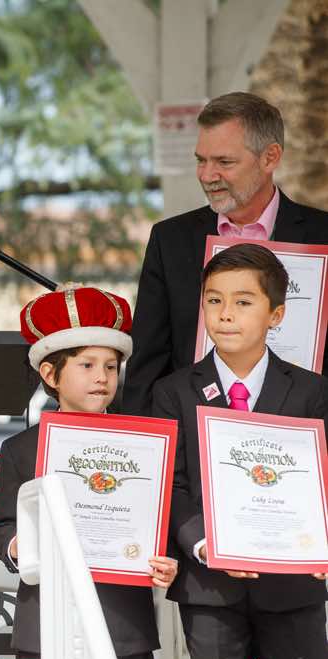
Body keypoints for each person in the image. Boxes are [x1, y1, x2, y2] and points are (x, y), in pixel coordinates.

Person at [151, 244, 328, 659]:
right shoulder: (174, 391)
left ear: (276, 314)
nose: (226, 314)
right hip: (210, 589)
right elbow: (172, 484)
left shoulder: (312, 391)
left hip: (294, 587)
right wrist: (204, 543)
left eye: (243, 302)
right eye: (214, 300)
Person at [0, 286, 178, 659]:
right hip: (45, 627)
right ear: (50, 373)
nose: (102, 378)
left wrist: (165, 559)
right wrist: (21, 544)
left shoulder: (143, 444)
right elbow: (3, 528)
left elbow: (157, 522)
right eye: (87, 365)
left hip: (123, 627)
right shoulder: (21, 449)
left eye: (111, 367)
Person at [124, 92, 328, 416]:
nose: (207, 175)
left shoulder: (322, 236)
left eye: (224, 162)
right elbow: (147, 363)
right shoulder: (170, 240)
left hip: (304, 431)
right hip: (191, 436)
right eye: (201, 160)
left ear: (270, 157)